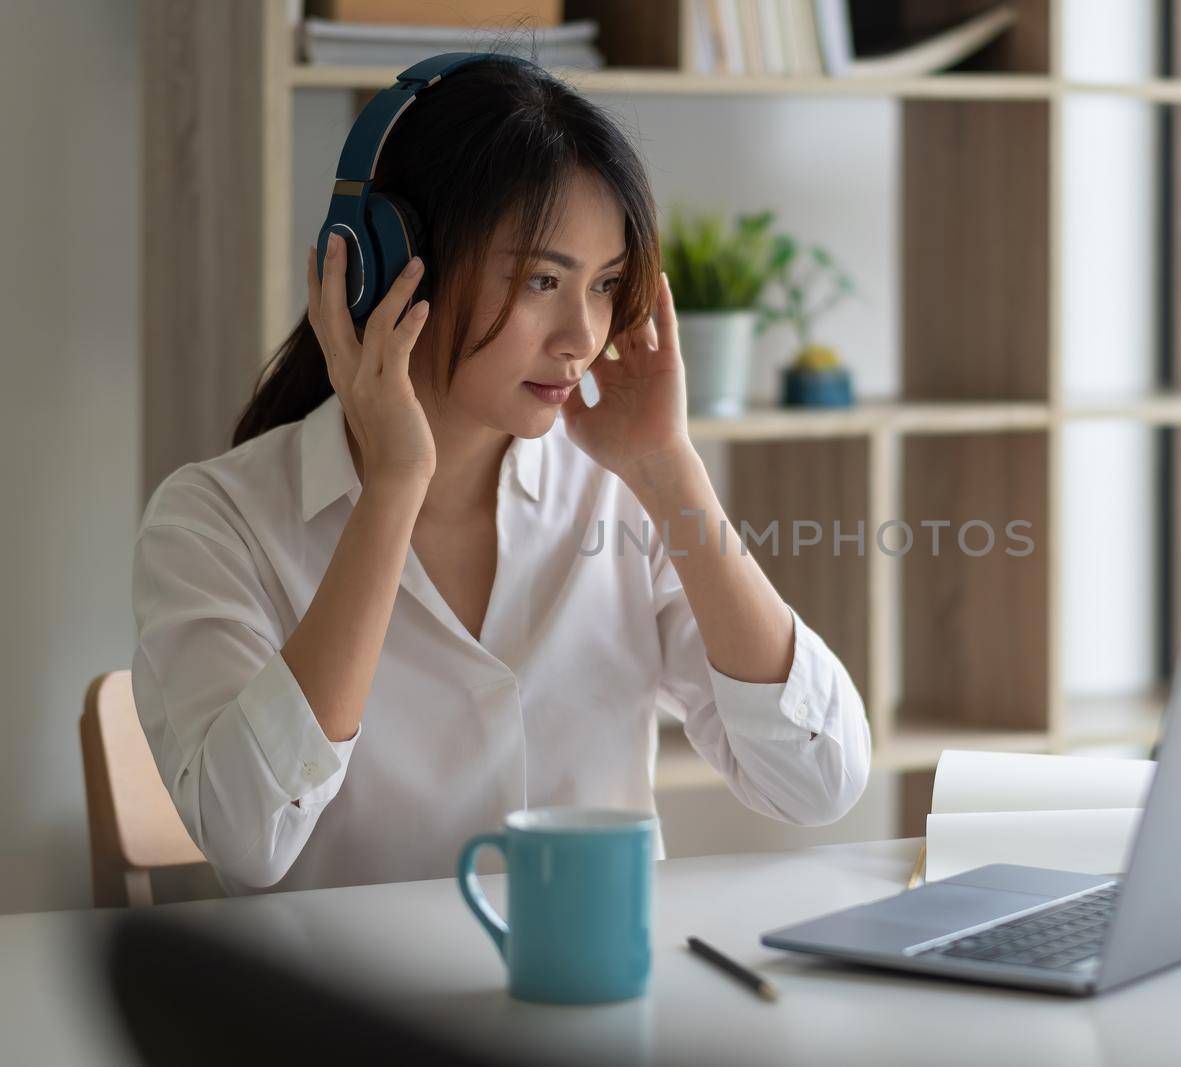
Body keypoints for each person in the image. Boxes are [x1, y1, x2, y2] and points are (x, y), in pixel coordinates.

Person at [130, 55, 871, 895]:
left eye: (606, 286)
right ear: (383, 264)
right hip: (352, 1024)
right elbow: (247, 839)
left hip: (596, 1008)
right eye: (542, 280)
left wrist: (670, 466)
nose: (582, 336)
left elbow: (819, 782)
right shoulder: (213, 522)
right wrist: (393, 491)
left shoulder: (618, 492)